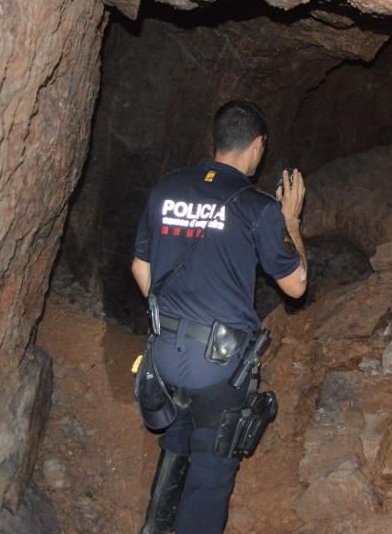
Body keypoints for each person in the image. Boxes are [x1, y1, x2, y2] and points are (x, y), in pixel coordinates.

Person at [130, 100, 308, 534]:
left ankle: (155, 526)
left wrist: (171, 317)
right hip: (218, 363)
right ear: (257, 145)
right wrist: (292, 221)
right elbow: (296, 284)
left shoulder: (166, 189)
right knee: (212, 469)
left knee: (176, 441)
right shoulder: (258, 207)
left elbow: (140, 268)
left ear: (217, 138)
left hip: (164, 355)